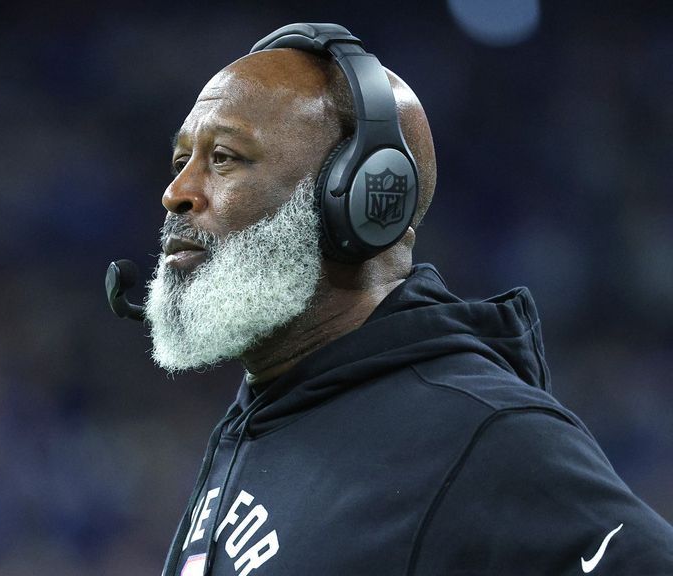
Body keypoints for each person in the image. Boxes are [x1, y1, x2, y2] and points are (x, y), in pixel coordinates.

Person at [139, 23, 673, 576]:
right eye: (182, 161)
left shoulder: (487, 435)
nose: (176, 192)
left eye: (223, 157)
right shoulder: (265, 417)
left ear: (364, 198)